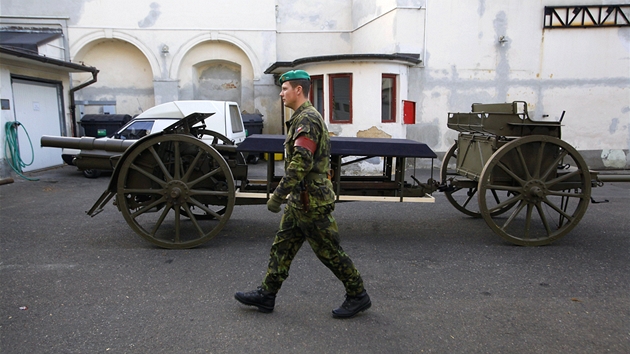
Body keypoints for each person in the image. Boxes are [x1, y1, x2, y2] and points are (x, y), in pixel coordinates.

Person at [235, 70, 371, 319]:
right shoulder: (301, 117)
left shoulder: (307, 120)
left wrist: (278, 195)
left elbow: (301, 163)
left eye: (285, 88)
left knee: (329, 251)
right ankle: (267, 294)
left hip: (312, 202)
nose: (281, 93)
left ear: (298, 90)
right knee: (282, 247)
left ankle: (358, 294)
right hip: (301, 200)